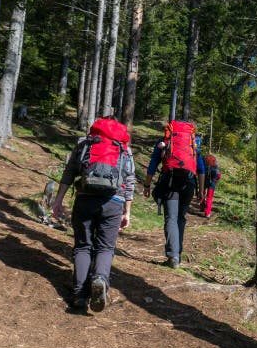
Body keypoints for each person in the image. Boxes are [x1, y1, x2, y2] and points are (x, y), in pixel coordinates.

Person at [51, 117, 135, 312]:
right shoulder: (123, 148)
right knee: (105, 247)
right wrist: (127, 212)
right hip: (114, 202)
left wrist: (58, 200)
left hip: (85, 199)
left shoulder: (84, 143)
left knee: (82, 246)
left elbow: (69, 172)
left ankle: (80, 295)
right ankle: (100, 278)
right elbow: (129, 182)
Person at [142, 120, 204, 269]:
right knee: (180, 218)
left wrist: (147, 184)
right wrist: (201, 191)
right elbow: (201, 168)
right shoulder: (193, 144)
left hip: (170, 181)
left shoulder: (165, 141)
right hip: (188, 182)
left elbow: (153, 164)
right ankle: (178, 255)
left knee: (171, 218)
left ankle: (173, 256)